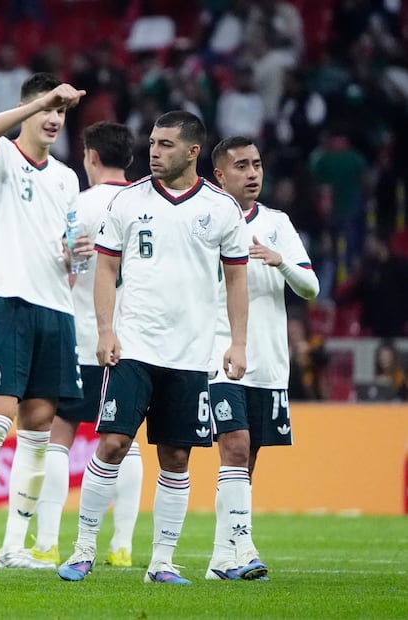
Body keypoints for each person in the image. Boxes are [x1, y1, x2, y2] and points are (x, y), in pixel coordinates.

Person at [57, 110, 250, 585]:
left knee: (177, 457)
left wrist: (238, 342)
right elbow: (104, 269)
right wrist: (106, 330)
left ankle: (161, 561)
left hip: (191, 352)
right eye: (152, 143)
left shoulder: (221, 208)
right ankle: (83, 550)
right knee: (114, 443)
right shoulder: (127, 201)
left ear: (192, 151)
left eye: (165, 144)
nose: (154, 151)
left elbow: (237, 276)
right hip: (135, 346)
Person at [0, 72, 87, 570]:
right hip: (9, 304)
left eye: (61, 112)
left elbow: (68, 250)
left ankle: (14, 547)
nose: (53, 119)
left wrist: (75, 255)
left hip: (56, 310)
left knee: (39, 429)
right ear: (28, 109)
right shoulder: (1, 158)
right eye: (47, 109)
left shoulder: (68, 178)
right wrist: (40, 101)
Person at [205, 136, 319, 581]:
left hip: (269, 360)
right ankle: (246, 548)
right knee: (233, 446)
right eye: (241, 166)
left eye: (257, 164)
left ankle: (221, 559)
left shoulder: (277, 223)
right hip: (218, 353)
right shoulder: (204, 221)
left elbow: (310, 288)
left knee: (246, 460)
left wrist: (280, 262)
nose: (252, 173)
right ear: (219, 175)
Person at [31, 122, 143, 568]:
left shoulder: (80, 203)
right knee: (127, 439)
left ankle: (48, 541)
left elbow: (67, 262)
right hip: (135, 336)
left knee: (60, 431)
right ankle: (123, 545)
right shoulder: (146, 202)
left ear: (91, 157)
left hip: (81, 332)